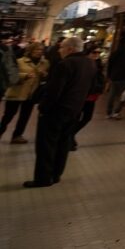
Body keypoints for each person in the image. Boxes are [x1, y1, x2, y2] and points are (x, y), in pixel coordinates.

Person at [23, 37, 96, 188]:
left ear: (70, 49)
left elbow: (54, 91)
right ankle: (56, 175)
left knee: (46, 145)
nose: (59, 50)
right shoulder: (89, 63)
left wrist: (44, 108)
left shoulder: (65, 64)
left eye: (62, 48)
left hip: (56, 111)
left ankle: (43, 178)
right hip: (74, 110)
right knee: (63, 144)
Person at [1, 42, 48, 144]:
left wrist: (45, 75)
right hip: (17, 93)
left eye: (41, 50)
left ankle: (17, 136)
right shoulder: (20, 61)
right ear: (30, 50)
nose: (39, 52)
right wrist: (24, 76)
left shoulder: (45, 63)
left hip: (31, 94)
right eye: (37, 49)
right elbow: (12, 75)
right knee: (8, 115)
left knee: (25, 117)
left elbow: (46, 78)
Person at [71, 44, 105, 151]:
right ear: (88, 53)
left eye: (99, 53)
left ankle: (69, 135)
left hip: (92, 96)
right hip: (81, 95)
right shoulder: (83, 64)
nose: (96, 55)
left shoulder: (98, 65)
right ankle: (69, 138)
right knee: (76, 118)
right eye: (94, 52)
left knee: (87, 118)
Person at [105, 38, 125, 120]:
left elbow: (109, 64)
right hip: (124, 78)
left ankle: (108, 113)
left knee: (111, 95)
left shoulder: (115, 53)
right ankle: (117, 112)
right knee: (122, 96)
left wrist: (109, 76)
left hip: (114, 77)